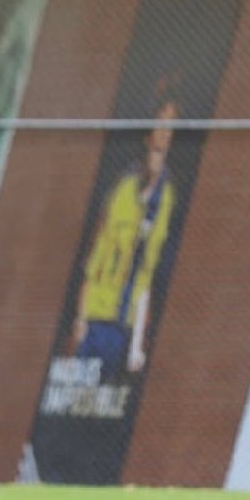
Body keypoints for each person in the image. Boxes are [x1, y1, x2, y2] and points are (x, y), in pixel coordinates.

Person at [64, 97, 178, 380]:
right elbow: (96, 255)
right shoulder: (124, 187)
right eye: (160, 123)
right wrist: (80, 317)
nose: (164, 132)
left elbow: (149, 274)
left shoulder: (167, 197)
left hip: (124, 324)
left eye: (171, 126)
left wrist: (139, 340)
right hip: (96, 314)